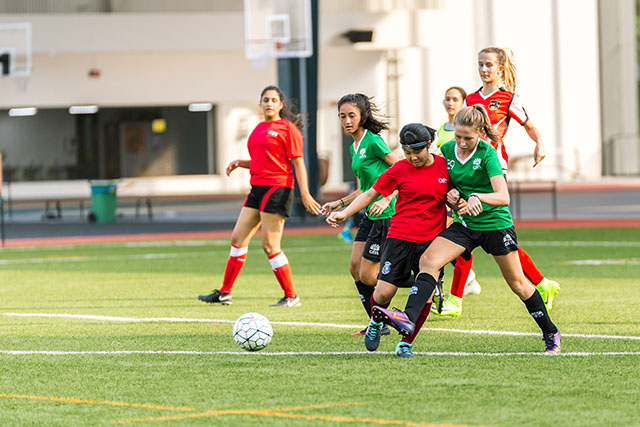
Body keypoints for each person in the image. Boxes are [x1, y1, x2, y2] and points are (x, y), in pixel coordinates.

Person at [371, 106, 561, 355]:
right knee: (429, 260)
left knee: (518, 285)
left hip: (494, 225)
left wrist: (476, 197)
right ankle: (407, 318)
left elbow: (503, 197)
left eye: (467, 138)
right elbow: (430, 177)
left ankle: (550, 331)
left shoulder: (488, 153)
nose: (461, 143)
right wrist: (452, 195)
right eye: (458, 136)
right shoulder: (448, 149)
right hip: (465, 225)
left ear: (481, 134)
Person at [327, 123, 452, 358]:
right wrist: (344, 213)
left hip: (431, 243)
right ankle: (376, 321)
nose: (413, 158)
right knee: (383, 293)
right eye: (407, 152)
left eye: (417, 152)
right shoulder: (399, 169)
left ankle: (405, 344)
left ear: (428, 145)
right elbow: (370, 193)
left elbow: (459, 193)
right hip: (399, 237)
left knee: (422, 297)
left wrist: (460, 200)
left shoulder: (445, 168)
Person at [198, 85, 321, 307]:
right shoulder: (259, 128)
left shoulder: (288, 129)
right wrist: (241, 163)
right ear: (261, 104)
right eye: (265, 100)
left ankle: (291, 296)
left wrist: (305, 193)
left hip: (278, 188)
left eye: (274, 100)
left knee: (270, 245)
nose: (269, 103)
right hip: (257, 188)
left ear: (280, 104)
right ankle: (225, 292)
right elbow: (261, 160)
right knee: (237, 239)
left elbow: (298, 162)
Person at [463, 46, 560, 312]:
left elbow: (529, 126)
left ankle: (457, 294)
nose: (484, 70)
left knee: (492, 232)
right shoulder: (470, 98)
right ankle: (457, 291)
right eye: (480, 64)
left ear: (500, 69)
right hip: (469, 170)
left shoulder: (508, 99)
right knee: (466, 227)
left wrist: (539, 143)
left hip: (494, 170)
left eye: (489, 65)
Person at [321, 93, 398, 336]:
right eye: (342, 116)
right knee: (355, 268)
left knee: (367, 275)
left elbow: (400, 171)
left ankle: (418, 285)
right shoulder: (354, 147)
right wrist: (339, 203)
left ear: (363, 116)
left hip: (385, 215)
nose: (346, 120)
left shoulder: (374, 141)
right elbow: (365, 188)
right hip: (369, 216)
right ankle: (377, 324)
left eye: (351, 115)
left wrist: (386, 198)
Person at [432, 86, 482, 319]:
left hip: (467, 193)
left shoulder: (478, 139)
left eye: (455, 99)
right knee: (448, 237)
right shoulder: (442, 130)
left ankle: (463, 284)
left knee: (457, 235)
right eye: (447, 99)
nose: (450, 103)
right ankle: (466, 281)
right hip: (447, 190)